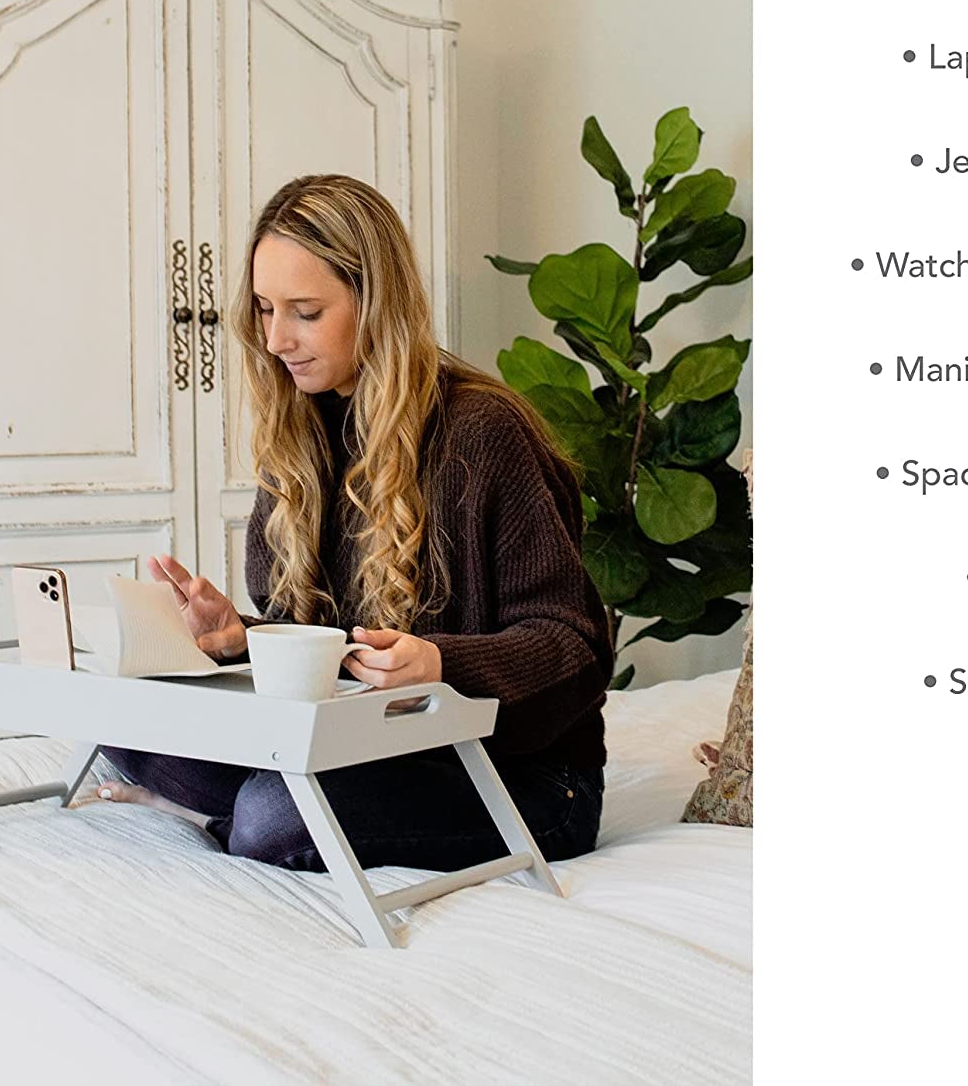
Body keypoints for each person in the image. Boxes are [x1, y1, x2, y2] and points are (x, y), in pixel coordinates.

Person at [98, 173, 613, 872]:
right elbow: (331, 654)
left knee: (269, 816)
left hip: (522, 780)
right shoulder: (299, 434)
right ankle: (252, 807)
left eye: (305, 311)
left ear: (376, 305)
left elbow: (573, 648)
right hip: (363, 750)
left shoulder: (484, 433)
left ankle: (238, 816)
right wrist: (235, 639)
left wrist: (440, 664)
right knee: (125, 723)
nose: (276, 339)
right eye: (263, 308)